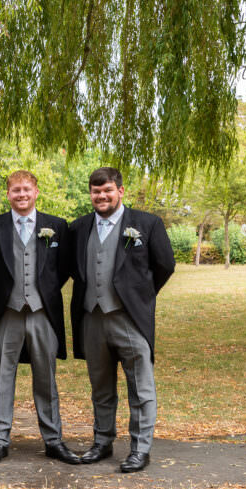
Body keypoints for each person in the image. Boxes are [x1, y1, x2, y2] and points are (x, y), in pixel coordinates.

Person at [69, 167, 175, 473]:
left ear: (120, 191)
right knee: (101, 387)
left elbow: (165, 264)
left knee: (140, 388)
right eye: (96, 191)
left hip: (130, 320)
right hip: (92, 319)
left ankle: (140, 449)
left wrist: (139, 296)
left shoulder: (146, 224)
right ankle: (102, 443)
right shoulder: (79, 228)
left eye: (107, 191)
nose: (101, 196)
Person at [0, 171, 80, 465]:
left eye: (26, 189)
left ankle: (53, 440)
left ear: (36, 192)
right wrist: (6, 292)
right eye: (15, 190)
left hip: (42, 313)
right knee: (2, 378)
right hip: (7, 312)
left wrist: (42, 293)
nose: (21, 195)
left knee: (46, 378)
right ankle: (0, 439)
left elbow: (62, 269)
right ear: (8, 194)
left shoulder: (56, 226)